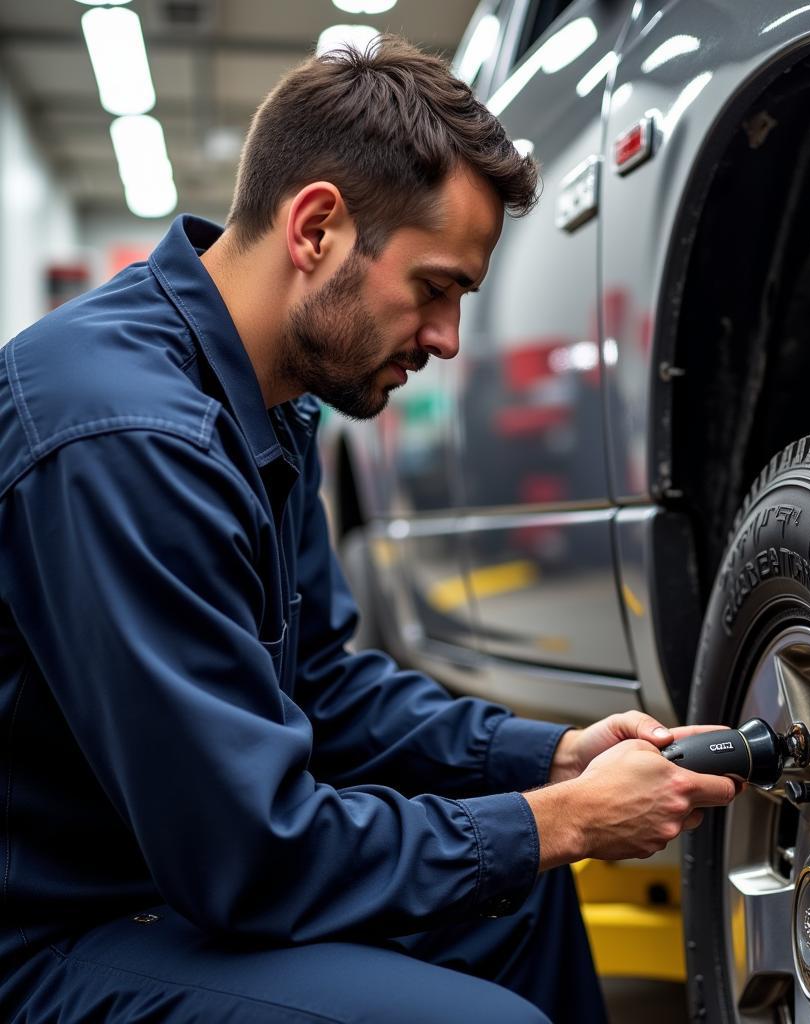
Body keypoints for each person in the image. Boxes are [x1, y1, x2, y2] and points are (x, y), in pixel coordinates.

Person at [0, 37, 738, 1023]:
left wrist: (548, 757)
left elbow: (318, 684)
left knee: (518, 895)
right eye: (434, 288)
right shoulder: (128, 439)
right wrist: (555, 820)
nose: (446, 340)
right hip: (53, 932)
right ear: (316, 228)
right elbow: (249, 856)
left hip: (164, 868)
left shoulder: (264, 402)